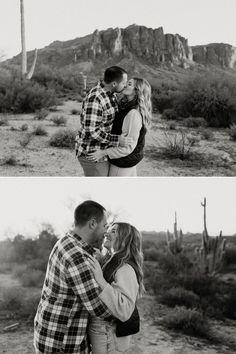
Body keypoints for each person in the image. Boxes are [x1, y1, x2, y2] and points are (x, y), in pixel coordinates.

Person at [34, 201, 113, 354]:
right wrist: (126, 310)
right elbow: (98, 307)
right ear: (92, 224)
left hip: (50, 333)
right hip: (62, 342)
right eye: (105, 226)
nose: (106, 232)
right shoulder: (77, 256)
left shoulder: (65, 241)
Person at [87, 222, 145, 354]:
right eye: (108, 229)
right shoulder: (113, 261)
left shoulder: (125, 268)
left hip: (110, 335)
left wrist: (100, 280)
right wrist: (102, 261)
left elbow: (125, 311)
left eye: (113, 231)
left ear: (125, 239)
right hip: (105, 333)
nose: (106, 233)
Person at [87, 78, 152, 176]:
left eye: (129, 84)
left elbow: (127, 147)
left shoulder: (133, 113)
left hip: (121, 164)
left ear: (136, 90)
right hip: (128, 161)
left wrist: (103, 153)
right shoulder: (128, 106)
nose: (125, 85)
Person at [75, 66, 132, 177]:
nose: (125, 85)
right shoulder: (96, 98)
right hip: (92, 152)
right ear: (114, 84)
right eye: (124, 82)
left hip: (103, 150)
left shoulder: (111, 94)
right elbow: (92, 131)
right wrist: (117, 139)